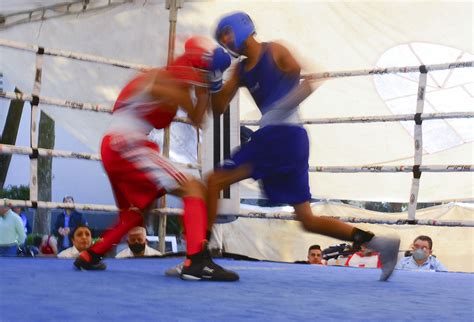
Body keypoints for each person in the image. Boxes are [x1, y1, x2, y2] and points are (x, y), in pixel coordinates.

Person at [206, 11, 400, 281]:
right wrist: (214, 79)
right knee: (307, 220)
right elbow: (217, 109)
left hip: (281, 135)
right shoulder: (239, 70)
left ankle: (201, 256)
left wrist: (285, 102)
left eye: (226, 32)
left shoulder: (274, 50)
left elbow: (307, 77)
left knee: (215, 180)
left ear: (241, 27)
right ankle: (381, 244)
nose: (225, 40)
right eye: (220, 38)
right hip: (288, 139)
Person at [73, 36, 238, 281]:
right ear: (195, 67)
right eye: (203, 70)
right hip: (126, 142)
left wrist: (205, 85)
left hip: (117, 145)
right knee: (193, 187)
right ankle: (196, 261)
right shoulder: (163, 79)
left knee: (137, 213)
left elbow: (197, 118)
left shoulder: (174, 83)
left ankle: (91, 255)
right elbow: (189, 104)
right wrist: (203, 80)